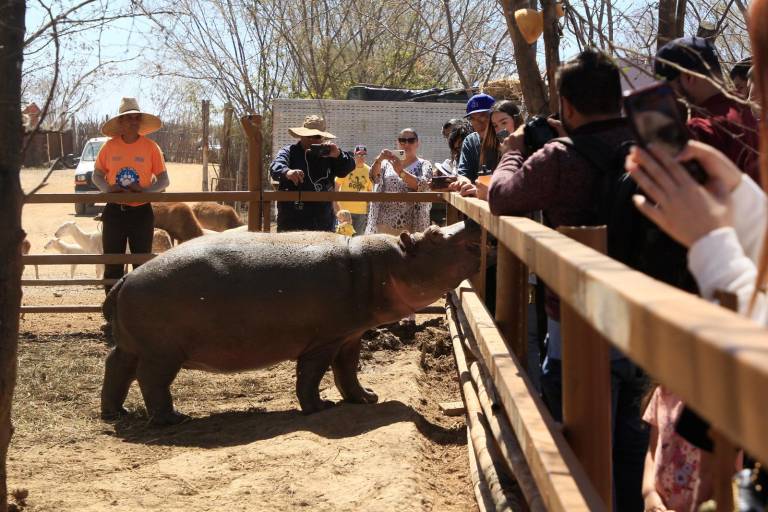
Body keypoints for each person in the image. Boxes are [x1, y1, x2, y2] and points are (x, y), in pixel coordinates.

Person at [488, 48, 649, 512]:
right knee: (630, 438)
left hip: (574, 324)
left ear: (567, 104)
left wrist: (513, 152)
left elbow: (502, 196)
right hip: (642, 319)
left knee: (575, 440)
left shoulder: (560, 157)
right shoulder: (643, 147)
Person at [655, 37, 760, 184]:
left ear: (689, 77)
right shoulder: (749, 114)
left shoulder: (701, 131)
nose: (669, 97)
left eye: (667, 89)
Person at [92, 97, 169, 294]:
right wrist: (108, 190)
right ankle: (112, 313)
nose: (134, 122)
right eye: (129, 118)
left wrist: (145, 192)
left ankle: (137, 314)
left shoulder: (151, 147)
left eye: (137, 118)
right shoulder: (109, 147)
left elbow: (163, 180)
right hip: (114, 211)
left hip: (141, 211)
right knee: (113, 263)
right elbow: (97, 175)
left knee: (141, 265)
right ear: (120, 122)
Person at [269, 115, 355, 232]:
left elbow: (347, 168)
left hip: (322, 223)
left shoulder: (330, 154)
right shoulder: (289, 151)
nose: (311, 139)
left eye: (316, 136)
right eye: (308, 135)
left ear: (322, 138)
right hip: (292, 222)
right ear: (301, 135)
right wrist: (287, 172)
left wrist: (338, 155)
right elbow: (275, 167)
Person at [366, 128, 433, 237]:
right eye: (402, 140)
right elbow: (374, 178)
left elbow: (423, 186)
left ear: (417, 143)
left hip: (411, 226)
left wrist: (400, 172)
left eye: (411, 140)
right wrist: (379, 160)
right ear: (397, 143)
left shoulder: (425, 165)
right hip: (383, 224)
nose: (406, 144)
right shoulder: (386, 164)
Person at [453, 93, 496, 185]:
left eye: (483, 117)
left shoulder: (506, 140)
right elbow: (463, 174)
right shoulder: (470, 141)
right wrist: (464, 183)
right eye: (472, 118)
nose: (478, 123)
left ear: (495, 115)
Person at [335, 145, 373, 235]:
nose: (361, 157)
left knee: (357, 239)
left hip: (361, 211)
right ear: (354, 155)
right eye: (359, 155)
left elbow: (370, 191)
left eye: (363, 155)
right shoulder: (347, 168)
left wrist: (368, 210)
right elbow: (336, 185)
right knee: (343, 237)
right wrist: (336, 205)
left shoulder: (369, 171)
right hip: (345, 210)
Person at [480, 100, 523, 172]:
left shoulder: (530, 146)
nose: (500, 129)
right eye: (495, 126)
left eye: (504, 122)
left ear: (516, 121)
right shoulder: (492, 151)